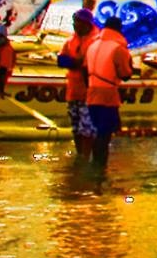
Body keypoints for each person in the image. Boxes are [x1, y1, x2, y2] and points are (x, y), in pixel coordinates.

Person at [84, 14, 134, 167]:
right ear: (119, 29)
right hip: (108, 96)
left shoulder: (92, 45)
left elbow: (85, 70)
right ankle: (100, 168)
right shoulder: (118, 48)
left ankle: (93, 165)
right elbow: (125, 75)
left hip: (91, 94)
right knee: (104, 135)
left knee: (95, 132)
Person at [55, 10, 96, 157]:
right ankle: (80, 155)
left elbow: (88, 65)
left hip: (89, 92)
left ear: (86, 24)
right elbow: (61, 60)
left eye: (77, 22)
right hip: (73, 90)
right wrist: (74, 62)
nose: (74, 25)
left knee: (87, 128)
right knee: (76, 127)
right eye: (74, 22)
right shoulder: (71, 40)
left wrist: (75, 62)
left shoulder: (95, 40)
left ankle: (86, 156)